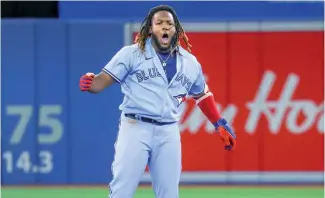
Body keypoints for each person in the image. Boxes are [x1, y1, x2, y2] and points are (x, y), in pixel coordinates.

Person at [79, 5, 236, 198]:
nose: (164, 27)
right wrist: (91, 82)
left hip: (168, 131)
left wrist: (219, 123)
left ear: (176, 29)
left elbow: (202, 95)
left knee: (169, 194)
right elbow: (102, 80)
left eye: (169, 23)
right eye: (159, 23)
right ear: (150, 29)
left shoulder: (190, 62)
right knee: (122, 190)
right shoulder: (132, 54)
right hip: (136, 127)